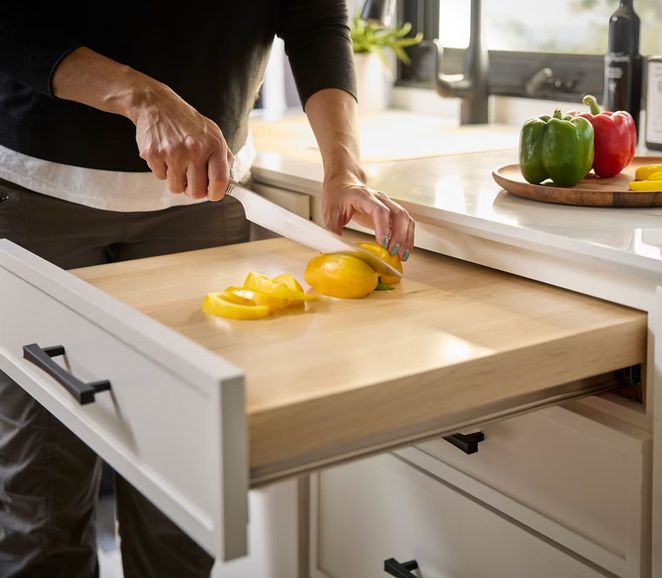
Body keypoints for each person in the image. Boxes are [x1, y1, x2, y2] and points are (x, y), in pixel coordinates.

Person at [0, 2, 415, 576]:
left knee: (182, 480)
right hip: (42, 197)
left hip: (202, 199)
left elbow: (316, 19)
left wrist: (344, 170)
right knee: (41, 486)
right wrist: (142, 95)